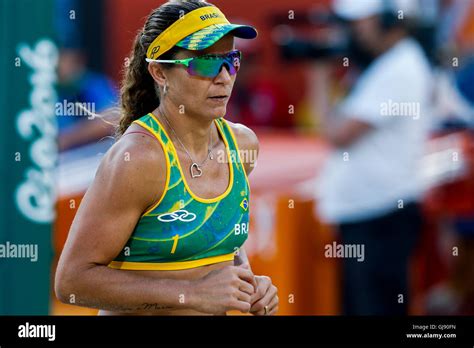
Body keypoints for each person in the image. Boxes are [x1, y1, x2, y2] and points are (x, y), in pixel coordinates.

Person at [55, 0, 278, 316]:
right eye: (204, 63)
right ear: (160, 72)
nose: (224, 76)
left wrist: (250, 285)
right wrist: (190, 294)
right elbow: (72, 282)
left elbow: (223, 238)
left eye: (231, 59)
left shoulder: (242, 145)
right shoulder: (139, 159)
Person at [315, 0, 433, 315]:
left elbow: (336, 133)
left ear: (387, 20)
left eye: (361, 22)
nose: (353, 32)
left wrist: (318, 76)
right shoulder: (389, 65)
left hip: (379, 217)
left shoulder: (399, 68)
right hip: (372, 214)